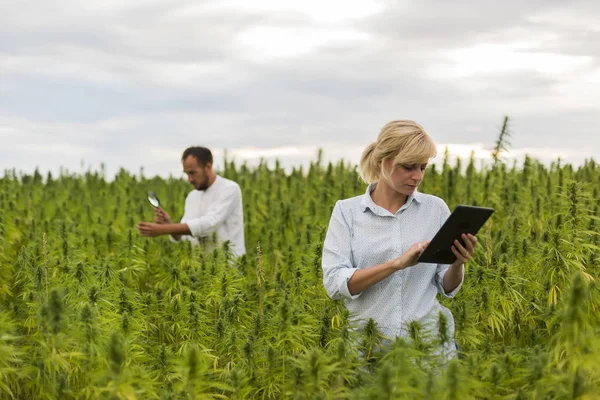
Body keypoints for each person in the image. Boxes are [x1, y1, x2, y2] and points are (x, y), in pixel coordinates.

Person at [321, 120, 477, 360]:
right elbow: (335, 284)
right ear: (383, 161)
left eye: (423, 168)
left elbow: (447, 288)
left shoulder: (435, 209)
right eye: (408, 167)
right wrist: (396, 264)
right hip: (368, 350)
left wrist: (457, 262)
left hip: (428, 349)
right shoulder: (347, 212)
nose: (417, 176)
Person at [136, 146, 246, 257]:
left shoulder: (229, 189)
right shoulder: (192, 196)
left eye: (193, 173)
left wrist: (162, 229)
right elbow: (186, 236)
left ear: (208, 167)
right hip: (200, 267)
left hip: (229, 267)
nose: (189, 179)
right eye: (187, 174)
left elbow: (209, 224)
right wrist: (169, 225)